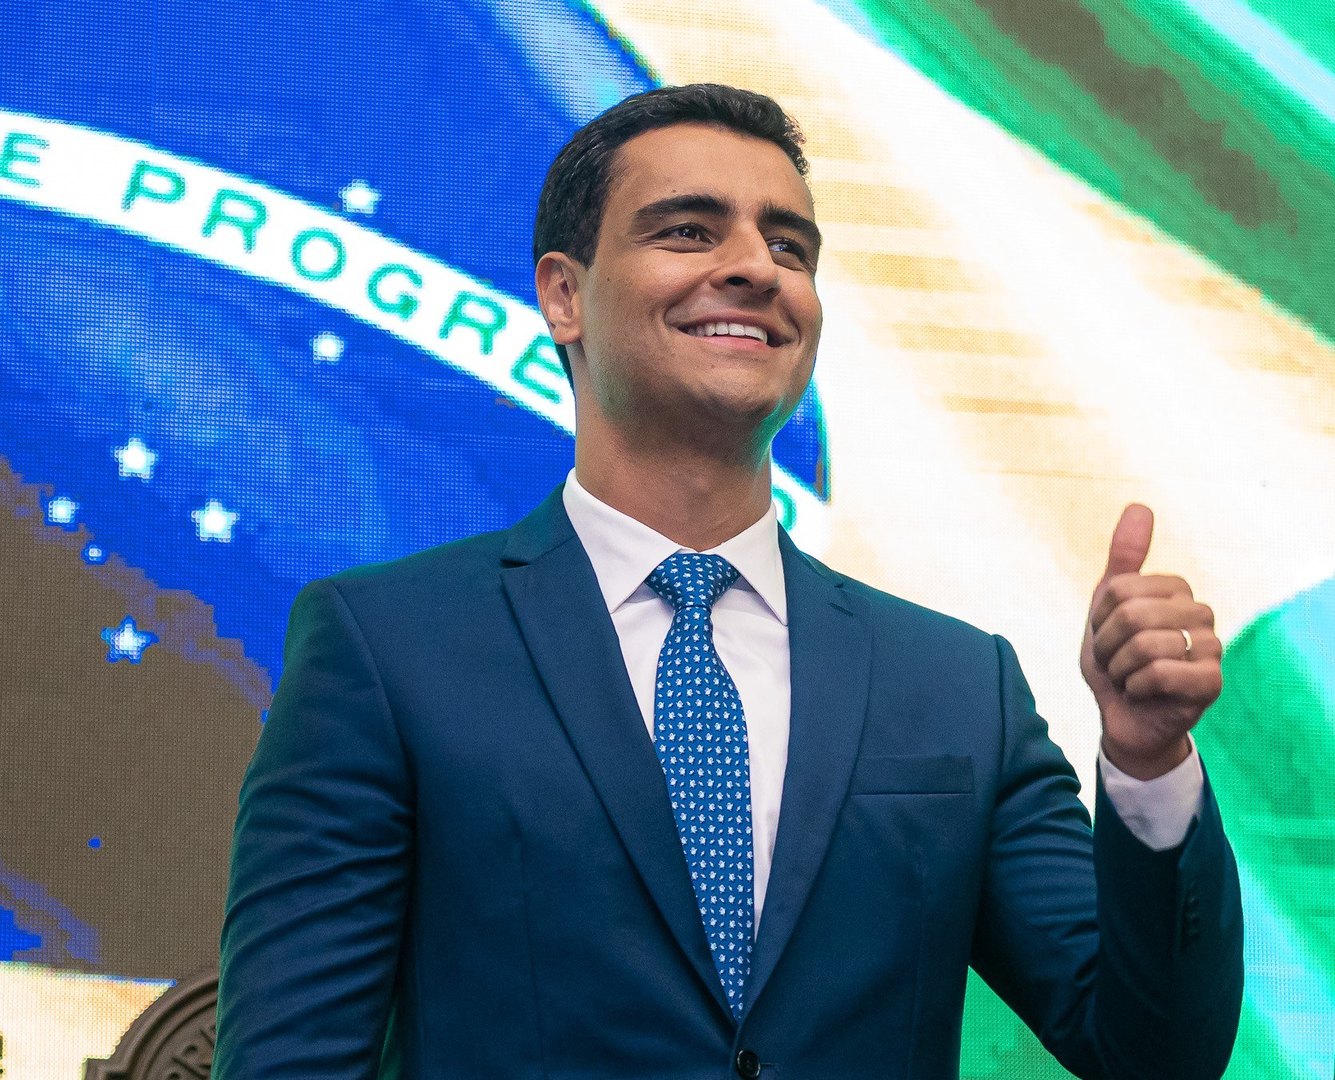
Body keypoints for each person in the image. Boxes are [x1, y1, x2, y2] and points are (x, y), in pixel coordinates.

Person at [214, 84, 1242, 1079]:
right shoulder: (387, 647)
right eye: (688, 232)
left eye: (789, 247)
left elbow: (1153, 1056)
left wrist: (1147, 763)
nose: (756, 268)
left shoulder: (960, 684)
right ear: (564, 295)